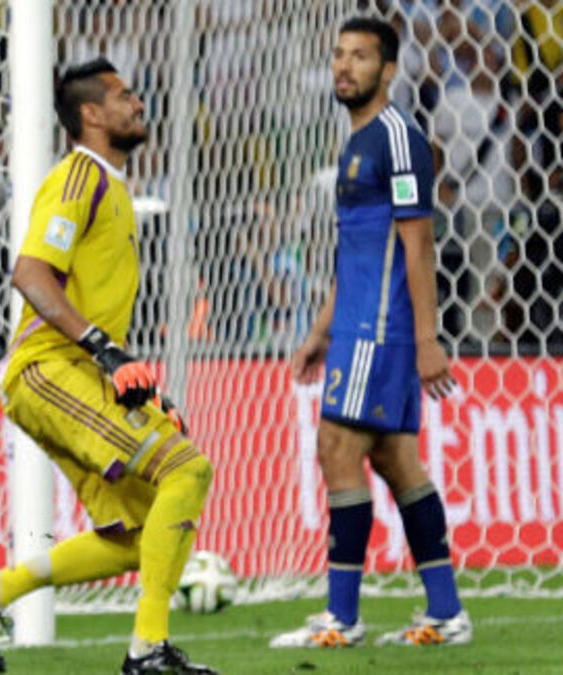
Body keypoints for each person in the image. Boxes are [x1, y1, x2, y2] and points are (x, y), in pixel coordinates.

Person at [0, 57, 216, 675]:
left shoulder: (114, 187)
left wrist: (140, 389)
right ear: (92, 114)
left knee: (139, 533)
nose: (139, 104)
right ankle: (147, 651)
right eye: (125, 96)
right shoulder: (79, 178)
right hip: (47, 370)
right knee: (187, 469)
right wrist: (104, 349)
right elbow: (30, 273)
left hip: (83, 374)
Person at [269, 16, 472, 649]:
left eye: (359, 56)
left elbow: (418, 243)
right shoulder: (357, 141)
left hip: (382, 327)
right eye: (338, 54)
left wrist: (428, 340)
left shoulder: (398, 138)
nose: (344, 66)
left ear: (387, 70)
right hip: (356, 322)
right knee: (393, 457)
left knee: (336, 445)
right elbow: (355, 252)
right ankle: (446, 612)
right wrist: (320, 330)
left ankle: (342, 618)